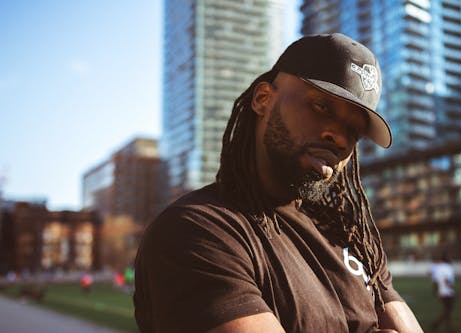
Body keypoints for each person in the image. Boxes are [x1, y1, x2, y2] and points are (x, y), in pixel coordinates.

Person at [134, 33, 423, 333]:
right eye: (321, 107)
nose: (338, 137)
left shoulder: (352, 238)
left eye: (354, 130)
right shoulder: (196, 231)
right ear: (263, 99)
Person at [431, 254, 455, 332]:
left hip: (442, 292)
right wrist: (453, 291)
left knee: (447, 310)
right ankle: (436, 324)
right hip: (448, 292)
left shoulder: (439, 268)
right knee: (448, 310)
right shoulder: (448, 267)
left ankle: (447, 327)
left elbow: (436, 281)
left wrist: (436, 292)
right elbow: (447, 280)